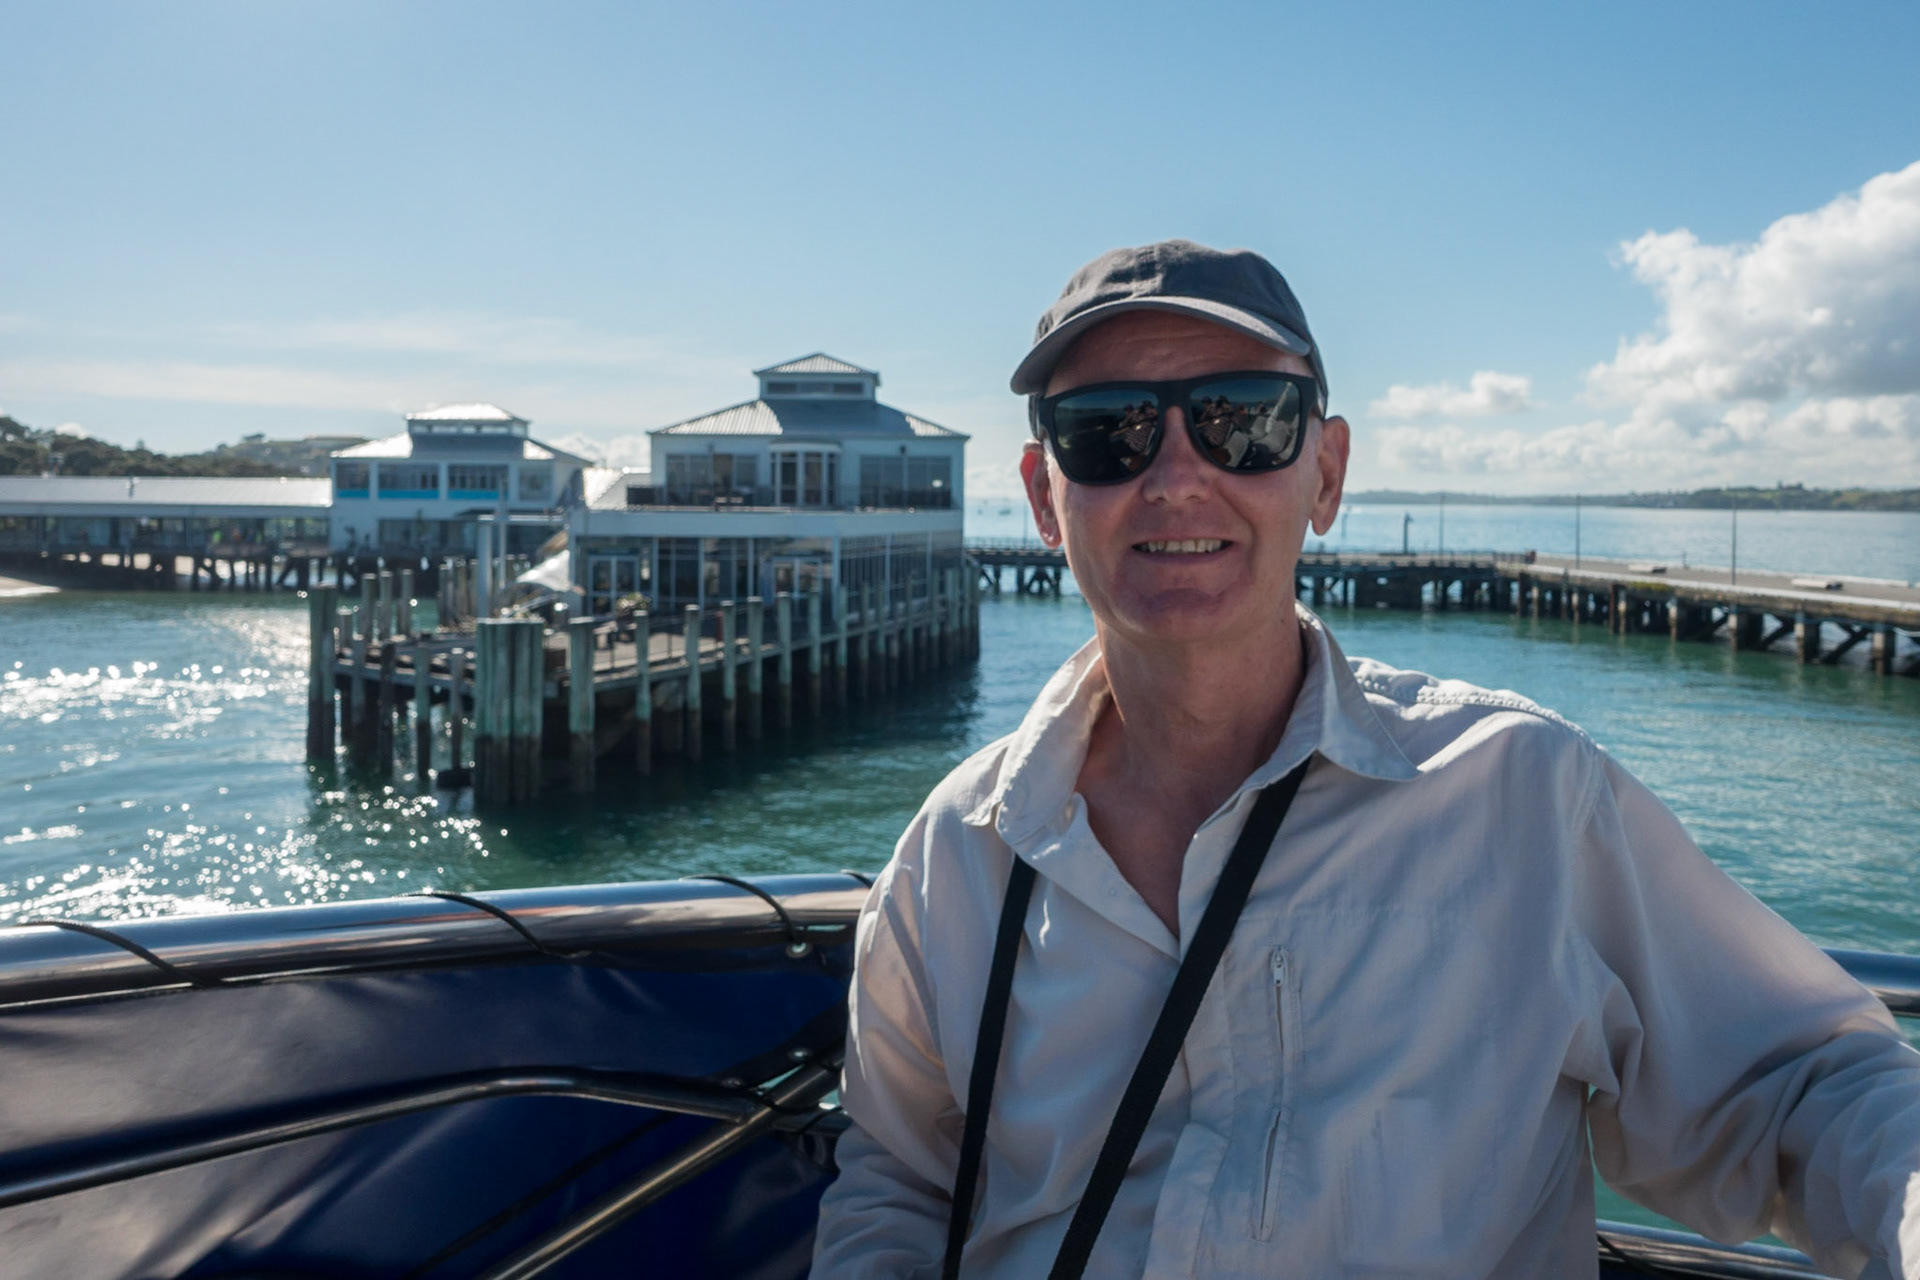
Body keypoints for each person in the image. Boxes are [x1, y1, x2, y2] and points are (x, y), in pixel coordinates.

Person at [811, 240, 1920, 1279]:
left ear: (1327, 474)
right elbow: (900, 1170)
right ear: (1044, 496)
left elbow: (1804, 1083)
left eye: (1245, 422)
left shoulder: (1522, 796)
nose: (1178, 475)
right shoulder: (959, 850)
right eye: (1109, 432)